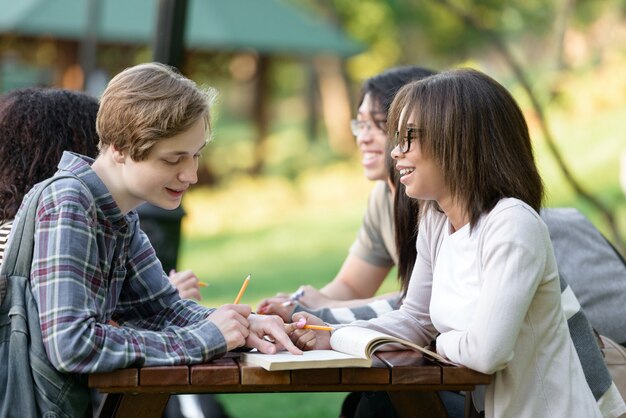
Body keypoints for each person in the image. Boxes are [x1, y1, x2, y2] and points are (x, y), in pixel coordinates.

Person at [291, 69, 611, 418]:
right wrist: (333, 335)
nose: (395, 152)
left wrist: (440, 342)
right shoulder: (435, 220)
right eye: (397, 137)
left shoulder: (513, 223)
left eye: (409, 137)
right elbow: (415, 319)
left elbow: (487, 353)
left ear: (460, 140)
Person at [4, 63, 301, 415]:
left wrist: (242, 324)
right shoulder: (70, 202)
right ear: (119, 148)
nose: (190, 175)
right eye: (173, 159)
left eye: (195, 155)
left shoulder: (119, 213)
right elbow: (73, 345)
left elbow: (163, 309)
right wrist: (206, 338)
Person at [257, 66, 436, 322]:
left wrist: (322, 312)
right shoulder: (382, 196)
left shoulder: (436, 201)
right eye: (361, 124)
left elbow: (421, 302)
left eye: (379, 124)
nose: (363, 138)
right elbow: (351, 285)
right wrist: (301, 307)